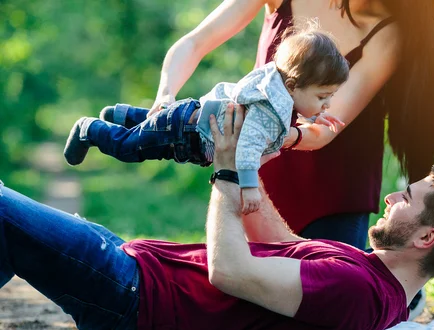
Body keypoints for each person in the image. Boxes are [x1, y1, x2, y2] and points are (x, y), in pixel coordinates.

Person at [0, 106, 434, 330]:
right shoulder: (371, 275)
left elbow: (230, 271)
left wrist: (223, 174)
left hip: (135, 300)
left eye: (406, 199)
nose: (390, 198)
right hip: (134, 272)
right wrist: (247, 161)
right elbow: (280, 240)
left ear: (425, 239)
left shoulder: (359, 292)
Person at [147, 0, 434, 316]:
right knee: (237, 293)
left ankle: (399, 288)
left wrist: (272, 135)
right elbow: (194, 42)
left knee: (323, 307)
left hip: (336, 193)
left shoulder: (388, 32)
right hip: (263, 172)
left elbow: (325, 129)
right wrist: (165, 97)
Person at [63, 28, 349, 214]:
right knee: (129, 149)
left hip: (185, 126)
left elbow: (281, 119)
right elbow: (248, 149)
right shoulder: (268, 113)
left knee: (152, 134)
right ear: (293, 86)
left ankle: (121, 115)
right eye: (323, 96)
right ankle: (90, 129)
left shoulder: (274, 92)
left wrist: (316, 111)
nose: (327, 103)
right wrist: (248, 186)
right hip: (184, 132)